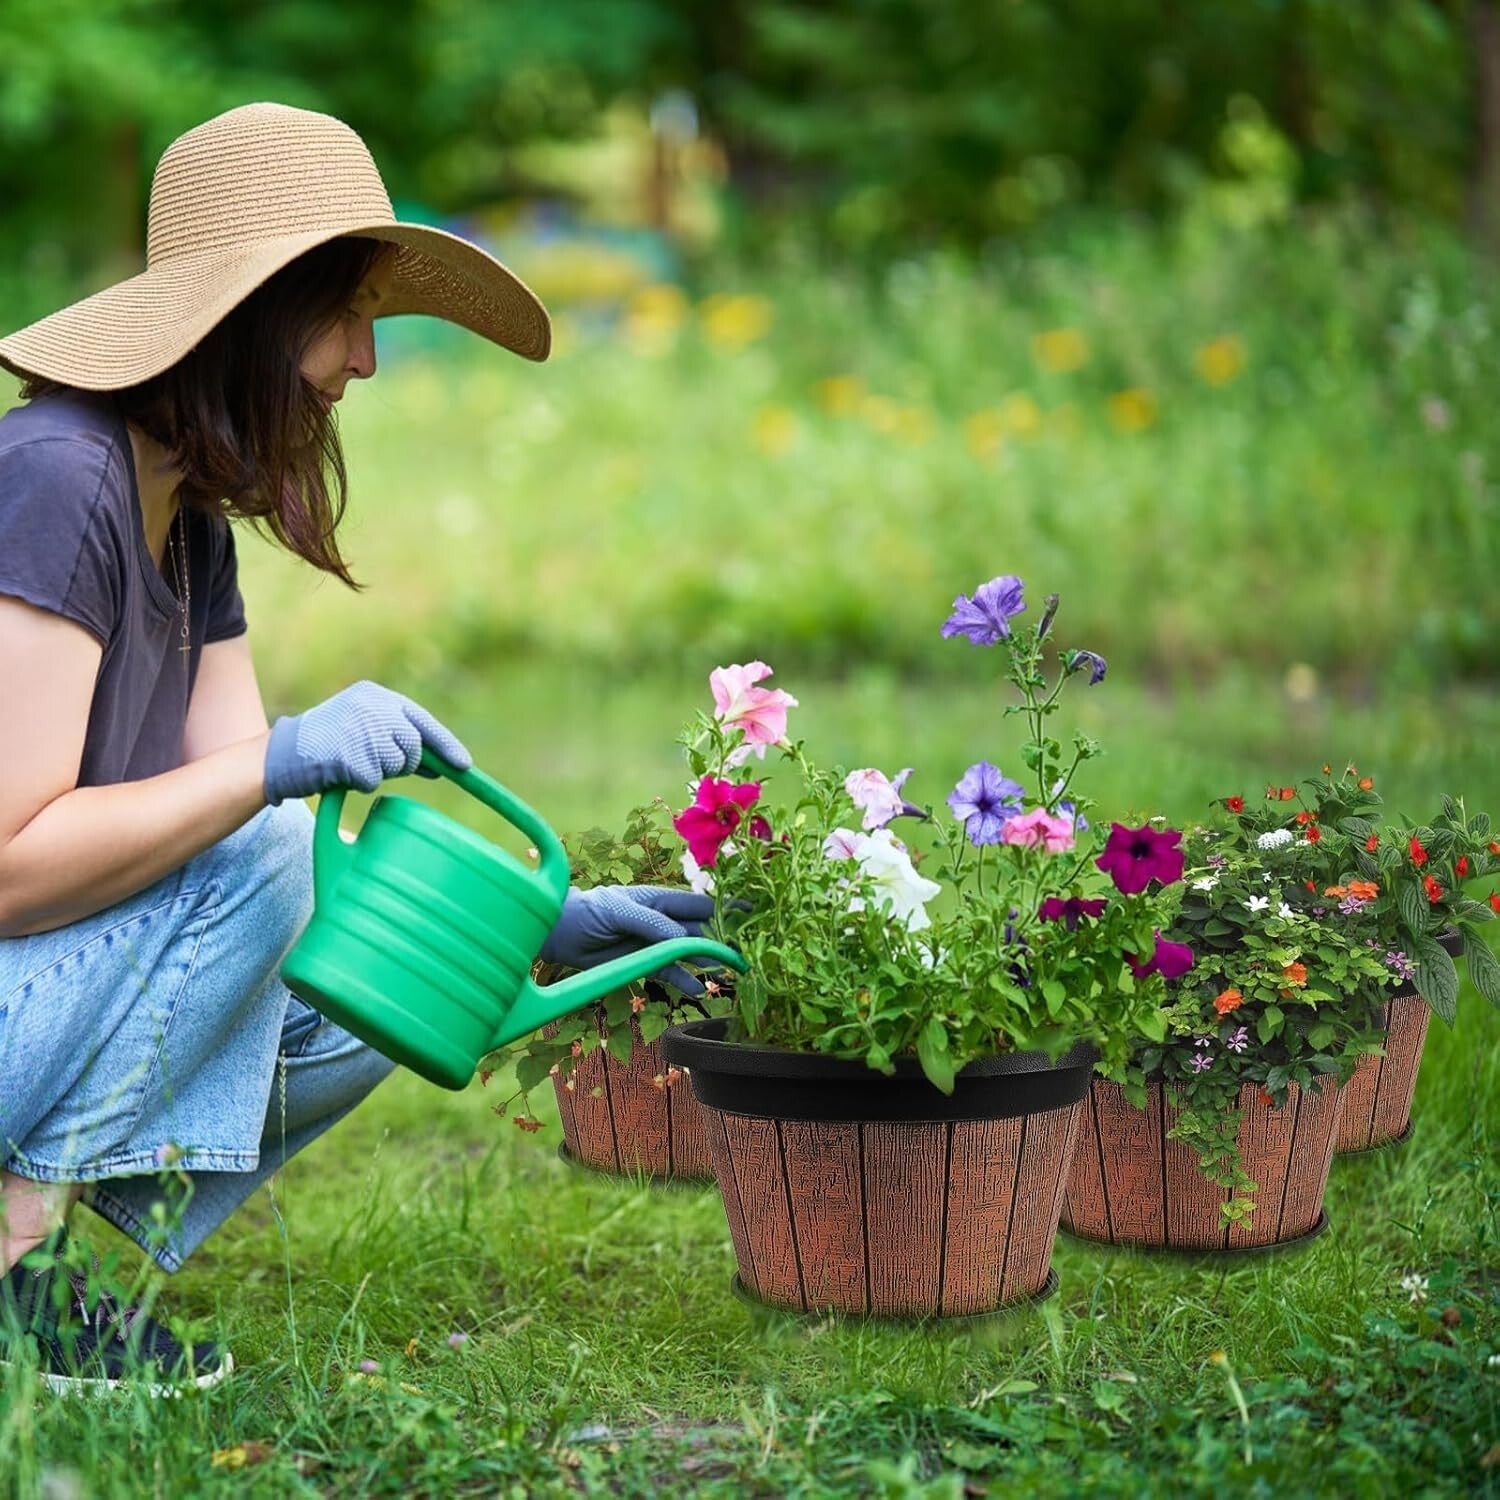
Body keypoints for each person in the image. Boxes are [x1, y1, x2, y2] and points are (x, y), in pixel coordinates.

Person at [0, 102, 716, 1395]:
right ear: (257, 315)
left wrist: (546, 924)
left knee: (371, 978)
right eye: (348, 314)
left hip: (37, 998)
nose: (368, 361)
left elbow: (276, 847)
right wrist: (280, 768)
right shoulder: (58, 478)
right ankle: (10, 1256)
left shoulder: (185, 530)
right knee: (268, 832)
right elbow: (10, 867)